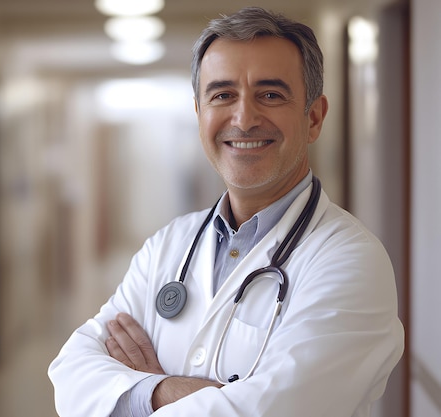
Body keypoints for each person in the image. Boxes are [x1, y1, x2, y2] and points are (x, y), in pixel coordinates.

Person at [48, 6, 404, 417]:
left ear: (314, 117)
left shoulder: (351, 261)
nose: (244, 118)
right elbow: (71, 376)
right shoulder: (167, 246)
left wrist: (136, 391)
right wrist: (170, 391)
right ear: (199, 114)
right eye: (222, 95)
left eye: (270, 95)